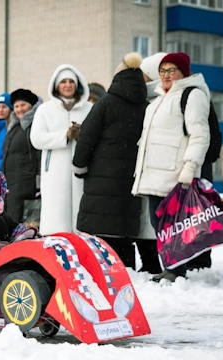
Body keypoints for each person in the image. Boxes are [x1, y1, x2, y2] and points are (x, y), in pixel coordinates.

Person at [131, 52, 211, 282]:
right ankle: (171, 267)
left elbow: (200, 135)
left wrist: (190, 168)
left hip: (175, 174)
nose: (166, 75)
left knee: (174, 226)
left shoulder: (192, 95)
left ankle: (177, 271)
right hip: (155, 173)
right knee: (161, 225)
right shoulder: (160, 99)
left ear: (183, 73)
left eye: (171, 70)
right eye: (162, 70)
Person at [72, 53, 147, 269]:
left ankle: (98, 268)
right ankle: (126, 269)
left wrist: (79, 165)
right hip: (131, 174)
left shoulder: (107, 102)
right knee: (124, 227)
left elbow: (87, 135)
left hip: (102, 174)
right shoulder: (145, 104)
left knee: (100, 227)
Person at [30, 64, 92, 234]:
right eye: (63, 81)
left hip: (82, 172)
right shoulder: (45, 110)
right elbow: (36, 138)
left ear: (77, 84)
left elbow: (96, 137)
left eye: (71, 81)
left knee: (82, 220)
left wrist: (82, 135)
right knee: (56, 219)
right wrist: (65, 136)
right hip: (55, 174)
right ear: (57, 86)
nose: (67, 85)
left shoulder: (89, 109)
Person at [132, 52, 168, 274]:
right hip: (145, 168)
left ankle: (165, 265)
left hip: (163, 168)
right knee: (147, 221)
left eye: (145, 75)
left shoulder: (164, 99)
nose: (141, 80)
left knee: (158, 222)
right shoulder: (145, 100)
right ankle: (152, 263)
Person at [2, 89, 42, 224]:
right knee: (11, 222)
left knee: (24, 225)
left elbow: (39, 155)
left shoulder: (34, 126)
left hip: (26, 186)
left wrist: (39, 183)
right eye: (17, 106)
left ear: (31, 107)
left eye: (23, 105)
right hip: (11, 185)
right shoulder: (14, 127)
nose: (19, 109)